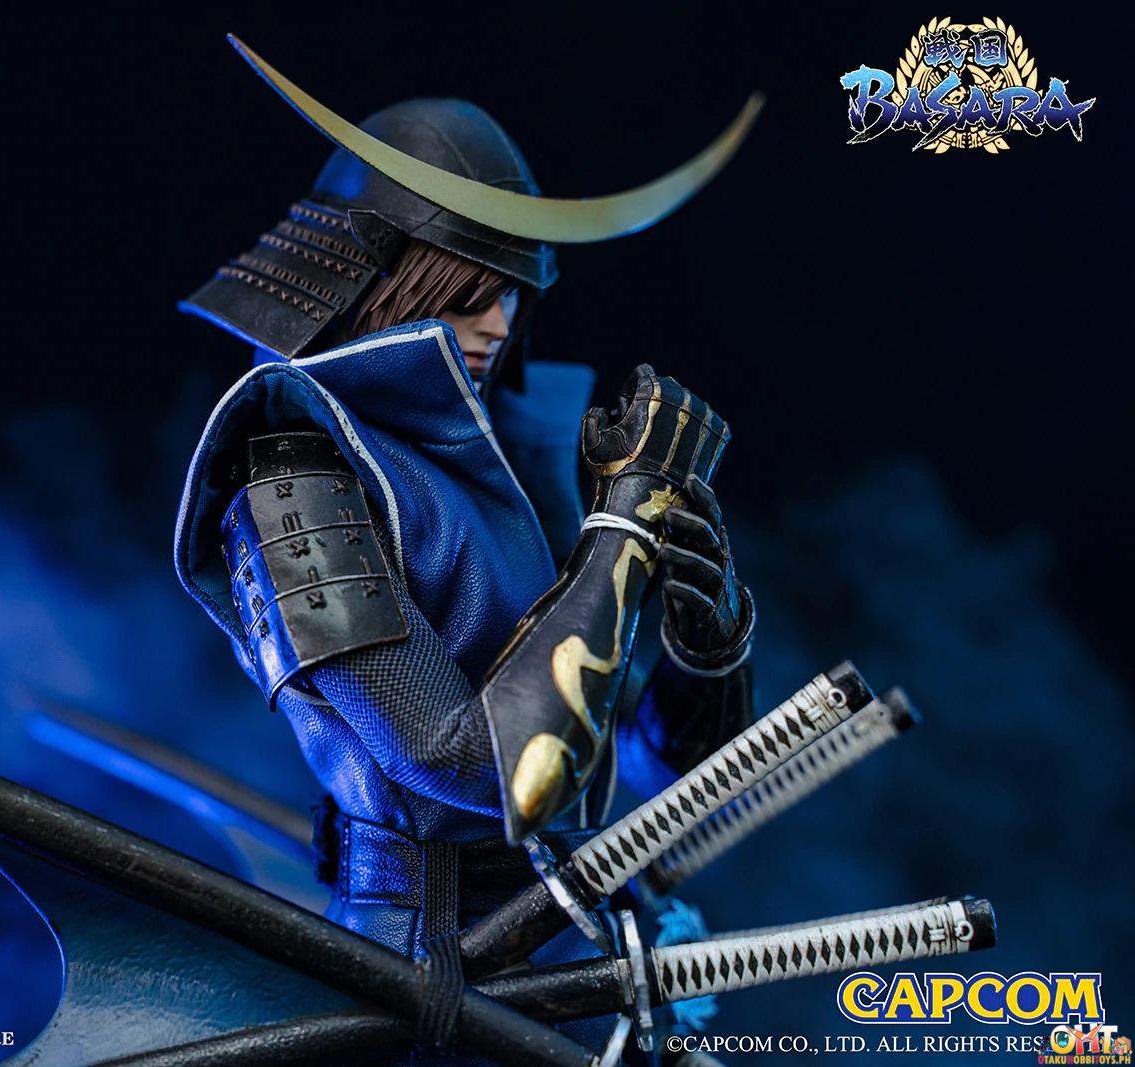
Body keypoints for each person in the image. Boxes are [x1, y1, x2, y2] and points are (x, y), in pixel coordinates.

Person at [175, 40, 761, 967]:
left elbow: (646, 769)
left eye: (511, 295)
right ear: (373, 283)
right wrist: (620, 529)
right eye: (465, 295)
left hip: (569, 944)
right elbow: (476, 765)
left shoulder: (512, 460)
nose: (497, 324)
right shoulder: (295, 481)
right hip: (431, 966)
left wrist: (708, 644)